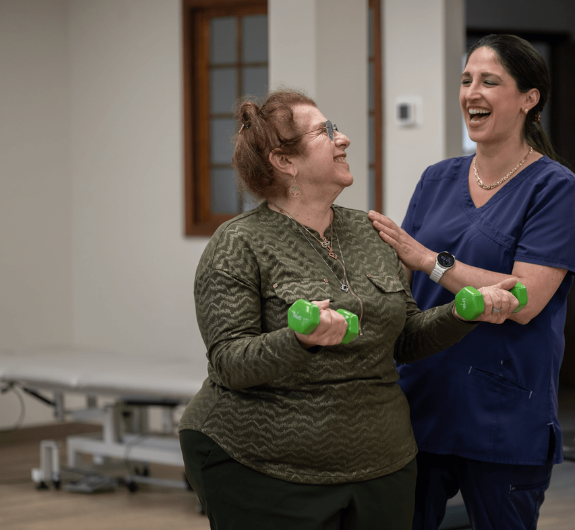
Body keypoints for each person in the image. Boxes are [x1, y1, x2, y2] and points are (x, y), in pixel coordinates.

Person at [178, 89, 521, 530]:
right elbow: (229, 362)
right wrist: (299, 340)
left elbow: (405, 338)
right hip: (262, 464)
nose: (344, 140)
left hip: (383, 463)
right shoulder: (238, 243)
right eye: (326, 131)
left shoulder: (370, 232)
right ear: (285, 161)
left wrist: (461, 314)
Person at [368, 34, 575, 530]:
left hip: (501, 415)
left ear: (529, 99)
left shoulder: (555, 188)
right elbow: (400, 276)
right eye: (467, 80)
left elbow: (527, 299)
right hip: (420, 404)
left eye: (490, 81)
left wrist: (432, 261)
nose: (473, 92)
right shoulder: (437, 178)